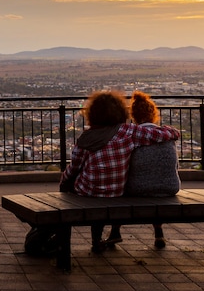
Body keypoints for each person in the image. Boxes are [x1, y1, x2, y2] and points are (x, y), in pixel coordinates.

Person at [59, 90, 180, 252]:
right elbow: (160, 134)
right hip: (116, 191)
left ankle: (96, 240)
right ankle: (105, 237)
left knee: (80, 183)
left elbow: (73, 168)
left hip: (87, 191)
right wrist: (173, 131)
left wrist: (63, 184)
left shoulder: (86, 137)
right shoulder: (127, 132)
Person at [104, 91, 181, 249]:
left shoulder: (132, 135)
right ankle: (158, 231)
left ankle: (115, 231)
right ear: (154, 114)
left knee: (122, 187)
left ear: (134, 115)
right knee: (154, 183)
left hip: (138, 189)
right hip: (170, 187)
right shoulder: (167, 135)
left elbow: (123, 165)